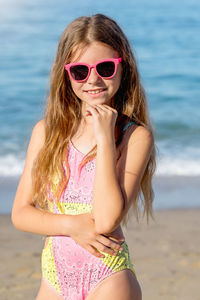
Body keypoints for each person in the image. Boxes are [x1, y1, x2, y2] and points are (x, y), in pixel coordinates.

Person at [11, 13, 156, 300]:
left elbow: (105, 220)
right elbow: (21, 214)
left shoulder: (134, 136)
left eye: (105, 68)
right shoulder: (46, 132)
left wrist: (104, 138)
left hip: (107, 277)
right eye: (80, 71)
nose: (93, 80)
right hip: (54, 277)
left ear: (122, 67)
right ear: (66, 73)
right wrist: (72, 226)